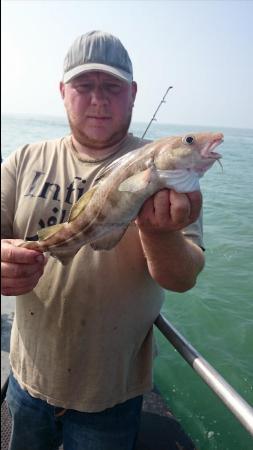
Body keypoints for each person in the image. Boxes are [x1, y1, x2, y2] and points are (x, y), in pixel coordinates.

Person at [1, 30, 205, 450]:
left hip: (112, 396)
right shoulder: (23, 159)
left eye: (112, 87)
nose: (98, 99)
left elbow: (183, 279)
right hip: (27, 381)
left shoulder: (172, 179)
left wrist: (157, 229)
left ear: (132, 94)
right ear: (62, 91)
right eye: (84, 85)